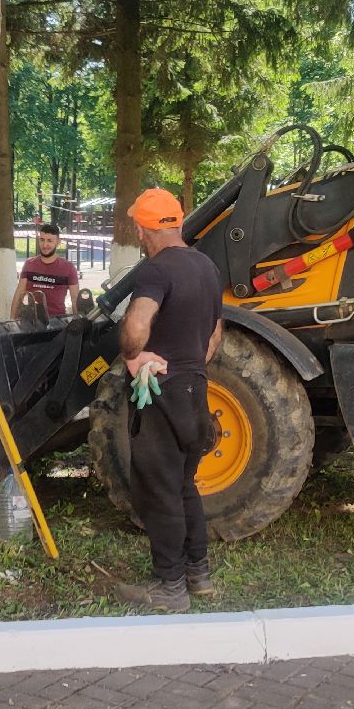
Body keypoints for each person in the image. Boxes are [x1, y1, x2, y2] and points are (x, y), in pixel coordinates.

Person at [114, 188, 224, 613]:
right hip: (196, 390)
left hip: (160, 394)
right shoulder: (206, 267)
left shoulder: (155, 270)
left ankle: (170, 587)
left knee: (159, 492)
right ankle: (199, 575)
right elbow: (216, 332)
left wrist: (132, 356)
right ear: (177, 222)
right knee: (183, 484)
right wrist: (190, 361)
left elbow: (137, 325)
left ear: (143, 230)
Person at [12, 222, 81, 317]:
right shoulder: (29, 264)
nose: (45, 245)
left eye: (49, 241)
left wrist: (78, 322)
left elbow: (75, 300)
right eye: (42, 240)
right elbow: (19, 295)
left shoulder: (68, 268)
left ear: (58, 242)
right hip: (32, 320)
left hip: (57, 321)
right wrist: (11, 321)